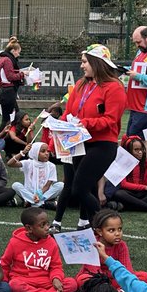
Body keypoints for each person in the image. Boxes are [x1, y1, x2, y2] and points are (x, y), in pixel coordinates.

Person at [53, 44, 125, 232]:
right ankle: (93, 230)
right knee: (86, 189)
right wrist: (59, 124)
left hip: (102, 145)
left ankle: (106, 226)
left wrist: (84, 123)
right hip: (78, 142)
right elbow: (68, 112)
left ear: (97, 62)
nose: (82, 66)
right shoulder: (80, 84)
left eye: (85, 62)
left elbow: (110, 120)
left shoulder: (114, 87)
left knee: (79, 189)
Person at [0, 207, 69, 292]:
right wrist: (5, 283)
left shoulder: (51, 242)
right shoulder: (15, 242)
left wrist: (56, 278)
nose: (47, 228)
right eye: (42, 225)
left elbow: (56, 266)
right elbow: (5, 264)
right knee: (14, 285)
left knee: (72, 283)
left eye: (48, 224)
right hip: (23, 280)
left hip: (46, 280)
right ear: (29, 228)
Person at [9, 142, 62, 207]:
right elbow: (10, 164)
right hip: (29, 193)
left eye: (47, 151)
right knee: (15, 185)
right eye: (43, 151)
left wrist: (39, 195)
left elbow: (47, 185)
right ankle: (43, 204)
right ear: (35, 153)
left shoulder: (51, 166)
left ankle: (32, 202)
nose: (47, 153)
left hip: (44, 193)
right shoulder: (28, 163)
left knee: (61, 185)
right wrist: (23, 152)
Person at [0, 36, 28, 133]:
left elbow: (8, 74)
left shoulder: (3, 59)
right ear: (13, 50)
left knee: (14, 116)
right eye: (18, 51)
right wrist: (22, 74)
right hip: (8, 92)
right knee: (8, 118)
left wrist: (20, 72)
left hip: (4, 92)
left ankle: (11, 136)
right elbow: (10, 76)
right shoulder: (8, 60)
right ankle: (2, 139)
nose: (19, 54)